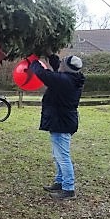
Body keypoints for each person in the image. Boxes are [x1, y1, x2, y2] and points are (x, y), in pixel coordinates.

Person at [29, 54, 85, 200]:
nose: (60, 65)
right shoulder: (72, 78)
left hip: (61, 122)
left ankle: (68, 189)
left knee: (63, 156)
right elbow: (58, 71)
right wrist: (51, 56)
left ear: (66, 68)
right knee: (58, 154)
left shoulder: (64, 81)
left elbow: (44, 74)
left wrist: (33, 62)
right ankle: (60, 182)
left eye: (62, 63)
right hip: (63, 121)